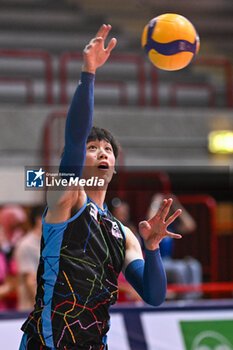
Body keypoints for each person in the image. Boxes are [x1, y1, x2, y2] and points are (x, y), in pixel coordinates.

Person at [19, 24, 182, 350]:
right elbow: (75, 138)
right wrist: (88, 72)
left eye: (108, 149)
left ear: (115, 166)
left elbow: (154, 296)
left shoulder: (123, 233)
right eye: (94, 148)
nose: (102, 151)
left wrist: (151, 251)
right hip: (46, 344)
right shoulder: (67, 198)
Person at [147, 193, 202, 299]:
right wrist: (156, 203)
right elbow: (150, 221)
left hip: (169, 261)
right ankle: (184, 299)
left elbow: (190, 225)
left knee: (194, 265)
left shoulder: (171, 226)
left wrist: (177, 205)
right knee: (179, 268)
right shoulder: (151, 225)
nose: (166, 211)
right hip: (156, 261)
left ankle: (195, 297)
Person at [15, 205, 44, 311]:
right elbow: (31, 282)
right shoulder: (26, 245)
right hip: (31, 311)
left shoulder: (49, 242)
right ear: (39, 220)